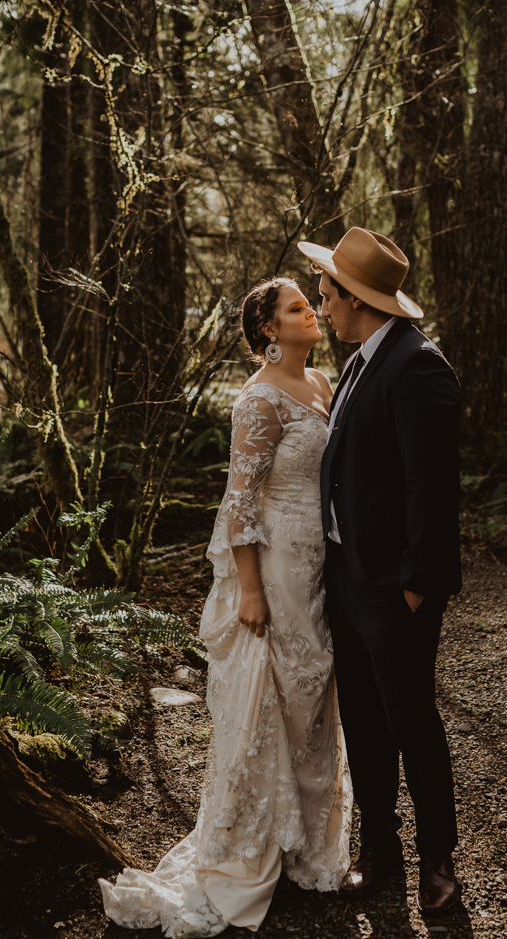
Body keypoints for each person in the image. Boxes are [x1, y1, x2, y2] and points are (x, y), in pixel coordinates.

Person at [100, 277, 351, 937]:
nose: (311, 312)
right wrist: (249, 588)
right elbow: (239, 501)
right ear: (269, 330)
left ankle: (306, 847)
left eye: (309, 303)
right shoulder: (257, 400)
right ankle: (250, 849)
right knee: (270, 701)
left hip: (318, 562)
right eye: (297, 307)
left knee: (312, 696)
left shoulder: (323, 383)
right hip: (272, 567)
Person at [298, 227, 462, 914]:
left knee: (409, 718)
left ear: (357, 301)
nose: (320, 303)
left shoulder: (417, 367)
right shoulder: (365, 358)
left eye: (326, 293)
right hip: (349, 579)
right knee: (363, 720)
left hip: (396, 588)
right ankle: (381, 849)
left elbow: (434, 488)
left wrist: (415, 583)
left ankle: (437, 860)